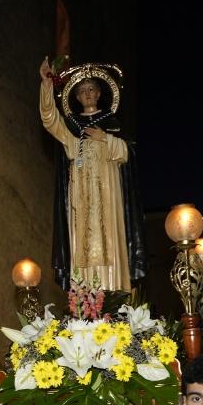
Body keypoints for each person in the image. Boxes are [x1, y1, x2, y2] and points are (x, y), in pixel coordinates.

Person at [39, 57, 145, 292]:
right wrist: (47, 84)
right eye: (82, 91)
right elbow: (49, 119)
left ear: (99, 94)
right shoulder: (71, 129)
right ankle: (84, 295)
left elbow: (129, 152)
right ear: (76, 97)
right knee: (82, 240)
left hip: (109, 195)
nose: (87, 94)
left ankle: (114, 289)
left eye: (91, 89)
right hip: (81, 196)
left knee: (110, 236)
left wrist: (105, 139)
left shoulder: (112, 124)